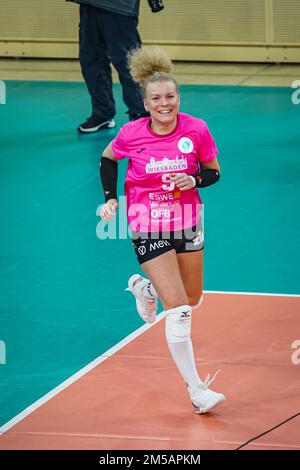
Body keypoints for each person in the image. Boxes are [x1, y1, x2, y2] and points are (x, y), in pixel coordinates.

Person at [99, 47, 225, 414]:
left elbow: (214, 172)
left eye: (170, 96)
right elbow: (108, 158)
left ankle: (145, 288)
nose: (164, 103)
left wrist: (194, 178)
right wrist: (110, 198)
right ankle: (197, 391)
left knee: (193, 296)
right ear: (145, 102)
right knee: (180, 309)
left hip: (187, 221)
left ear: (178, 98)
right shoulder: (131, 133)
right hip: (146, 222)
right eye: (156, 98)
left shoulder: (196, 129)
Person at [67, 0, 149, 132]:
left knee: (129, 63)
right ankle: (102, 113)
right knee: (91, 61)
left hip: (119, 7)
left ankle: (141, 114)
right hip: (89, 5)